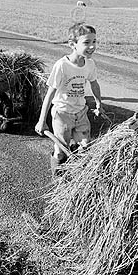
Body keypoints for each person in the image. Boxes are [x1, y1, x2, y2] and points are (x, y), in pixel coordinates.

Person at [35, 23, 104, 177]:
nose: (92, 46)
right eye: (86, 42)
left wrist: (99, 102)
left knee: (85, 146)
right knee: (60, 151)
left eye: (94, 41)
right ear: (72, 44)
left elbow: (94, 83)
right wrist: (42, 121)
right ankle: (58, 178)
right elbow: (50, 94)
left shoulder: (90, 64)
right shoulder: (62, 66)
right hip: (62, 114)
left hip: (80, 112)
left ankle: (76, 176)